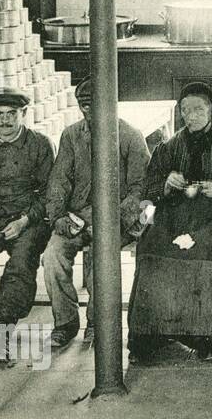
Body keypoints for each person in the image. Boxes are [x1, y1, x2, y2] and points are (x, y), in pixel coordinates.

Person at [127, 82, 212, 363]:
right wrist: (166, 185)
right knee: (151, 252)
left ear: (211, 110)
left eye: (198, 109)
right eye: (186, 110)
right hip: (174, 215)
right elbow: (149, 189)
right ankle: (152, 336)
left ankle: (206, 336)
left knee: (206, 258)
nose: (191, 116)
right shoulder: (169, 146)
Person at [42, 78, 151, 348]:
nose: (89, 111)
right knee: (53, 256)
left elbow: (140, 188)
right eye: (84, 105)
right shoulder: (71, 135)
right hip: (77, 217)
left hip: (116, 219)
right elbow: (59, 181)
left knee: (98, 259)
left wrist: (111, 223)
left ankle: (97, 321)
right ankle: (65, 322)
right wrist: (58, 218)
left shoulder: (130, 136)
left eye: (96, 105)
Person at [0, 89, 54, 361]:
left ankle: (1, 328)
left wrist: (25, 221)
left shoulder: (40, 144)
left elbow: (49, 195)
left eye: (11, 115)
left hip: (28, 217)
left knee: (20, 263)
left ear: (24, 114)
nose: (4, 122)